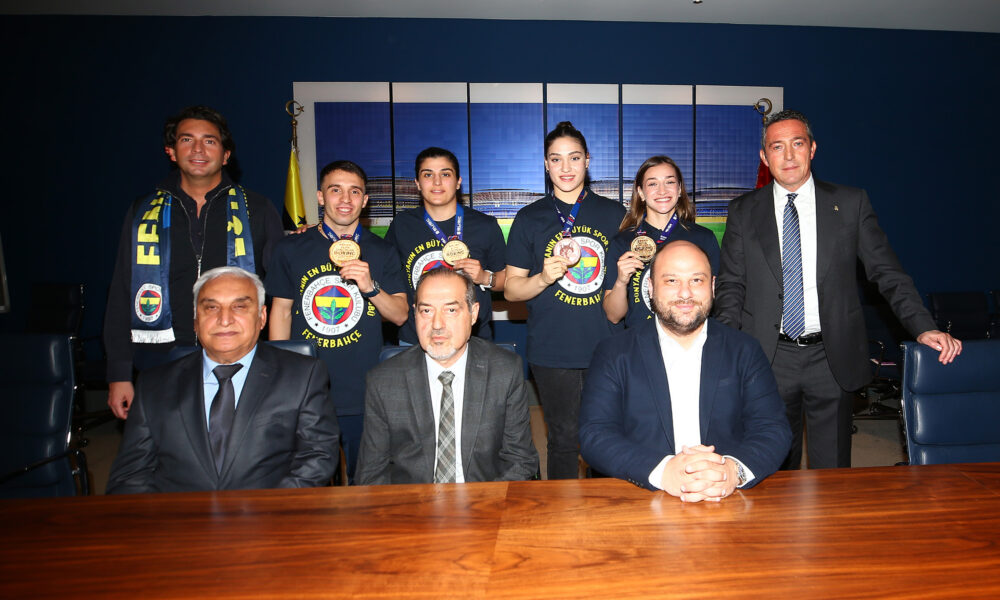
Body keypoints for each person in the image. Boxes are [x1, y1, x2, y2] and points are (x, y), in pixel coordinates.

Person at [714, 109, 961, 470]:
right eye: (777, 147)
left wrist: (923, 327)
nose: (788, 155)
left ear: (812, 149)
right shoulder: (743, 211)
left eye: (797, 144)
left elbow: (888, 273)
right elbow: (732, 285)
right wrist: (722, 347)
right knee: (771, 471)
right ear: (764, 157)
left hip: (831, 359)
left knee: (832, 477)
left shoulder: (850, 203)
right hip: (767, 358)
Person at [104, 105, 283, 420]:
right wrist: (119, 372)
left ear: (226, 155)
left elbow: (282, 286)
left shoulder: (257, 209)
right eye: (187, 140)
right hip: (161, 361)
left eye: (210, 141)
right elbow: (121, 291)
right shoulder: (142, 212)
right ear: (171, 151)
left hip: (237, 360)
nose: (198, 149)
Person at [580, 241, 791, 500]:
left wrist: (732, 471)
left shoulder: (744, 350)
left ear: (712, 286)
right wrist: (663, 472)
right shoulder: (614, 353)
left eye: (696, 280)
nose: (685, 293)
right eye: (671, 281)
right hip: (643, 497)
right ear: (651, 287)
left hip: (725, 497)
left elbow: (773, 429)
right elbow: (595, 435)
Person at [106, 267, 339, 493]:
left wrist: (268, 509)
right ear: (195, 320)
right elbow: (130, 475)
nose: (224, 320)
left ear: (262, 317)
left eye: (239, 307)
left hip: (269, 512)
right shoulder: (153, 385)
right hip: (179, 515)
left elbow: (317, 457)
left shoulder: (302, 376)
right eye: (211, 308)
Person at [266, 160, 408, 482]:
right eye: (335, 190)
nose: (345, 199)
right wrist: (280, 377)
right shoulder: (290, 248)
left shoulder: (383, 251)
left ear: (365, 200)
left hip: (364, 390)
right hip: (307, 390)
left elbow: (400, 314)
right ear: (320, 197)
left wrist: (370, 287)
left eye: (354, 191)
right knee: (311, 487)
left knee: (366, 484)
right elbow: (281, 311)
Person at [504, 121, 626, 479]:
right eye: (556, 159)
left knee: (606, 441)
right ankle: (561, 513)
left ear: (587, 160)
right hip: (552, 350)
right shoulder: (529, 218)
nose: (566, 167)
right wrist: (543, 277)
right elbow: (511, 290)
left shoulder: (615, 215)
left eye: (574, 157)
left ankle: (605, 510)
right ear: (546, 164)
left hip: (607, 347)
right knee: (562, 441)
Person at [355, 267, 538, 485]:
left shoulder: (504, 371)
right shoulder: (383, 381)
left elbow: (520, 461)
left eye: (450, 310)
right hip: (413, 501)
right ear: (415, 314)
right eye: (426, 311)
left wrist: (485, 503)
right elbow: (371, 474)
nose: (437, 324)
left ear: (473, 313)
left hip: (485, 498)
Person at [384, 147, 506, 342]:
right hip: (416, 341)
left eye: (445, 174)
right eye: (428, 174)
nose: (437, 182)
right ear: (417, 183)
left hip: (473, 340)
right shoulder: (402, 225)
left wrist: (484, 277)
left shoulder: (485, 225)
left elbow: (508, 280)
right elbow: (386, 277)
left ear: (458, 182)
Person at [604, 155, 720, 328]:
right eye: (652, 184)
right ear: (641, 192)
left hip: (688, 339)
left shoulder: (703, 238)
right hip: (640, 340)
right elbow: (613, 316)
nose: (662, 191)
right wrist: (621, 281)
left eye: (669, 182)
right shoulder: (623, 242)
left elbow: (715, 301)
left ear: (679, 189)